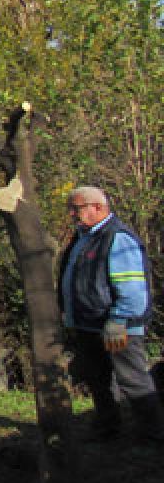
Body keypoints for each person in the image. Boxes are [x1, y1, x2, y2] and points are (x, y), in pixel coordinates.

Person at [59, 186, 163, 442]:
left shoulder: (117, 238)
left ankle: (155, 435)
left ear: (98, 207)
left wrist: (119, 320)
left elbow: (131, 287)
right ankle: (108, 428)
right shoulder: (83, 237)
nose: (72, 214)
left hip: (118, 327)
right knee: (98, 380)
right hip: (90, 325)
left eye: (77, 208)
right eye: (70, 208)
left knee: (133, 381)